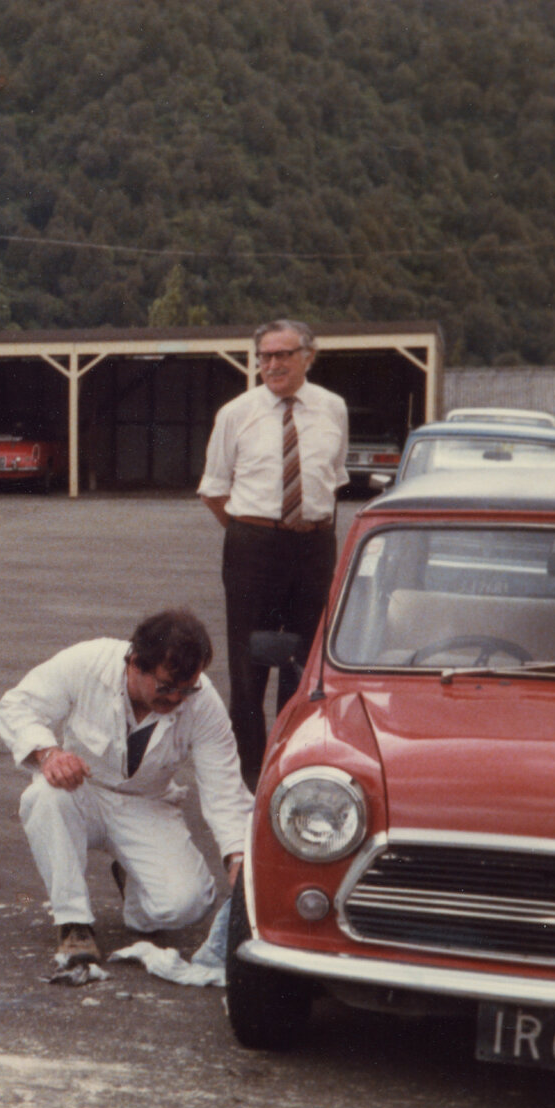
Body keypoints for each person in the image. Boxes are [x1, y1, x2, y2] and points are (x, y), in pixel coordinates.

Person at [0, 609, 253, 967]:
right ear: (135, 663)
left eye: (186, 688)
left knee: (186, 906)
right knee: (44, 796)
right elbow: (17, 705)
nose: (177, 698)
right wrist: (49, 753)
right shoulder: (88, 662)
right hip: (82, 790)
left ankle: (133, 885)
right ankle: (73, 923)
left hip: (145, 804)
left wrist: (238, 856)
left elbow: (223, 786)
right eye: (166, 687)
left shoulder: (202, 702)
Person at [196, 318, 349, 786]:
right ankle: (250, 777)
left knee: (305, 662)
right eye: (265, 356)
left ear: (308, 356)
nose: (273, 364)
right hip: (253, 546)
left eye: (283, 354)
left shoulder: (333, 408)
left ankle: (291, 766)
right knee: (248, 665)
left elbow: (332, 482)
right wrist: (254, 532)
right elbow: (213, 490)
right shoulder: (236, 413)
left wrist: (304, 532)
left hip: (315, 546)